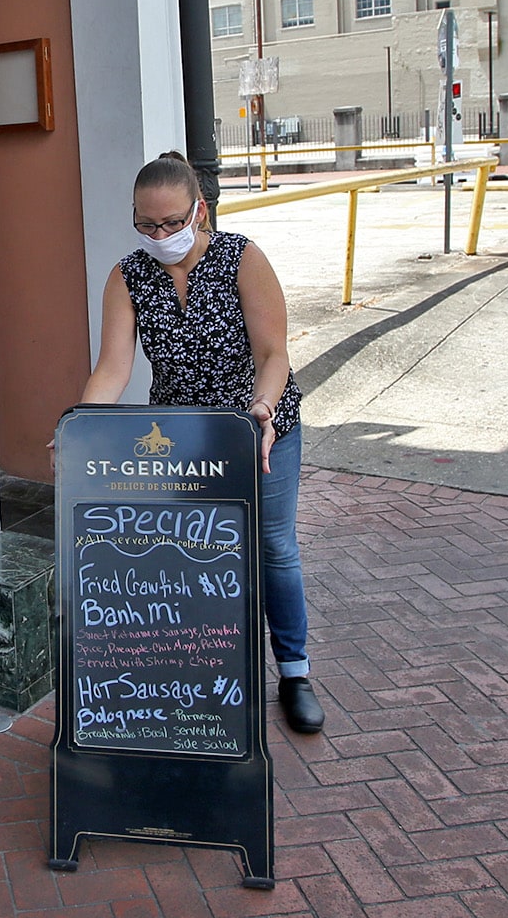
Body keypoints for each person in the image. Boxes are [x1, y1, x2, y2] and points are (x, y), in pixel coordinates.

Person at [75, 151, 323, 734]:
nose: (159, 235)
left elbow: (273, 352)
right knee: (194, 556)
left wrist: (261, 405)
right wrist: (80, 426)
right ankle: (210, 670)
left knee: (273, 548)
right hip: (181, 442)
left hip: (258, 428)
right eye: (146, 224)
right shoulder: (128, 275)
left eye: (170, 223)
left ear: (200, 211)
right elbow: (113, 367)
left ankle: (294, 671)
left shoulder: (241, 257)